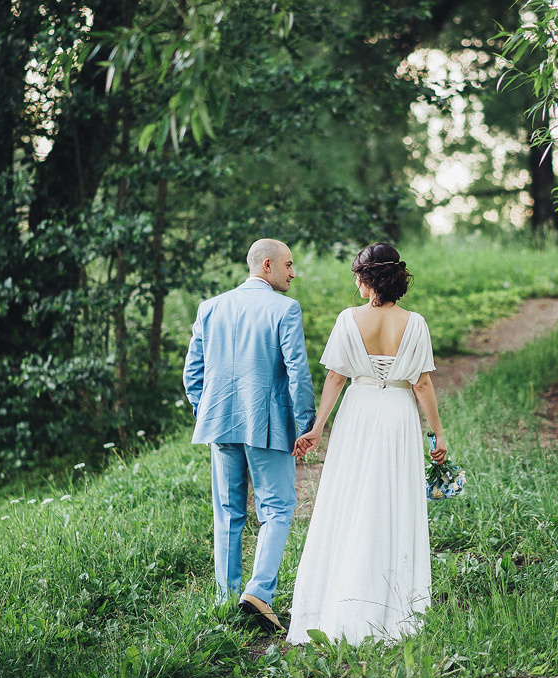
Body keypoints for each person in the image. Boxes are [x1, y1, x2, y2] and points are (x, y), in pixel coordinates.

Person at [286, 242, 447, 645]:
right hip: (397, 414)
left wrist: (318, 428)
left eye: (358, 276)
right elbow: (422, 384)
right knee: (391, 499)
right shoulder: (415, 323)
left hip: (357, 412)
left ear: (367, 278)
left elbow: (336, 377)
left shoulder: (348, 319)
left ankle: (339, 599)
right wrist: (437, 434)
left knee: (349, 495)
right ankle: (390, 604)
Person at [183, 238, 315, 633]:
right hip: (266, 423)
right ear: (267, 264)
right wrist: (306, 424)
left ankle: (225, 602)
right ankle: (258, 593)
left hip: (220, 423)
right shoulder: (285, 309)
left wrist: (207, 410)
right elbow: (298, 371)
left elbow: (193, 374)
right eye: (289, 265)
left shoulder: (210, 307)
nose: (293, 273)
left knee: (227, 511)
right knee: (277, 508)